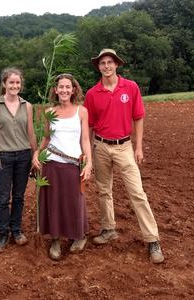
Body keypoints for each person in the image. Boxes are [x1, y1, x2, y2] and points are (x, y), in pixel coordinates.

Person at [84, 49, 165, 264]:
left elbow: (138, 117)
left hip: (124, 146)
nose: (107, 66)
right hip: (100, 146)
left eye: (110, 62)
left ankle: (152, 239)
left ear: (117, 65)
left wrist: (138, 148)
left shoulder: (130, 87)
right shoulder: (92, 94)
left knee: (137, 192)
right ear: (98, 66)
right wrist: (88, 155)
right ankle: (108, 228)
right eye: (103, 63)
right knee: (103, 190)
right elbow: (89, 126)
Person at [32, 73, 92, 261]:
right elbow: (47, 138)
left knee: (75, 201)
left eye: (68, 87)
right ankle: (55, 240)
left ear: (73, 90)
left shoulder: (82, 111)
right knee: (54, 202)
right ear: (55, 90)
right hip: (51, 163)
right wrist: (36, 153)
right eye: (61, 87)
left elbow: (85, 140)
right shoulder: (50, 112)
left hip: (73, 164)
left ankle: (79, 236)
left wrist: (89, 163)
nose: (64, 90)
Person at [0, 67, 37, 254]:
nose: (15, 85)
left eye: (17, 82)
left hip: (23, 155)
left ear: (20, 84)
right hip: (3, 156)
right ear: (4, 84)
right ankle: (2, 234)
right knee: (3, 197)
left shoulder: (27, 106)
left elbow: (30, 132)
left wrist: (35, 154)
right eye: (11, 82)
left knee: (19, 196)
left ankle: (16, 230)